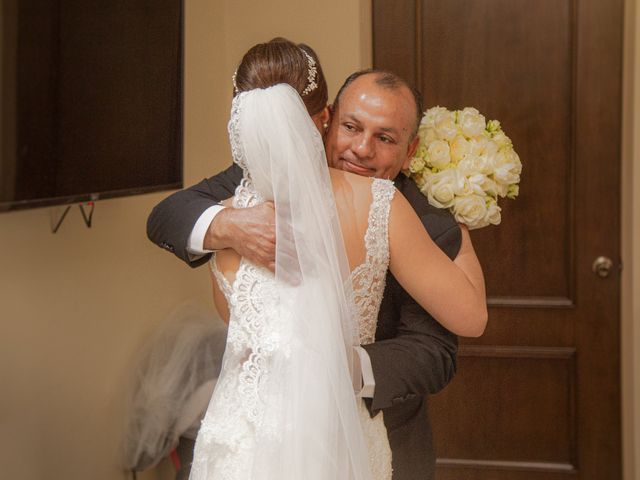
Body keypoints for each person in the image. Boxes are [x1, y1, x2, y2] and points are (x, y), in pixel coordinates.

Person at [147, 38, 486, 479]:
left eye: (384, 138)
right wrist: (227, 226)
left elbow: (435, 352)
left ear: (411, 149)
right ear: (325, 120)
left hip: (269, 435)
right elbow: (166, 218)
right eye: (351, 127)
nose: (362, 149)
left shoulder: (428, 220)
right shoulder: (241, 217)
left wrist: (338, 366)